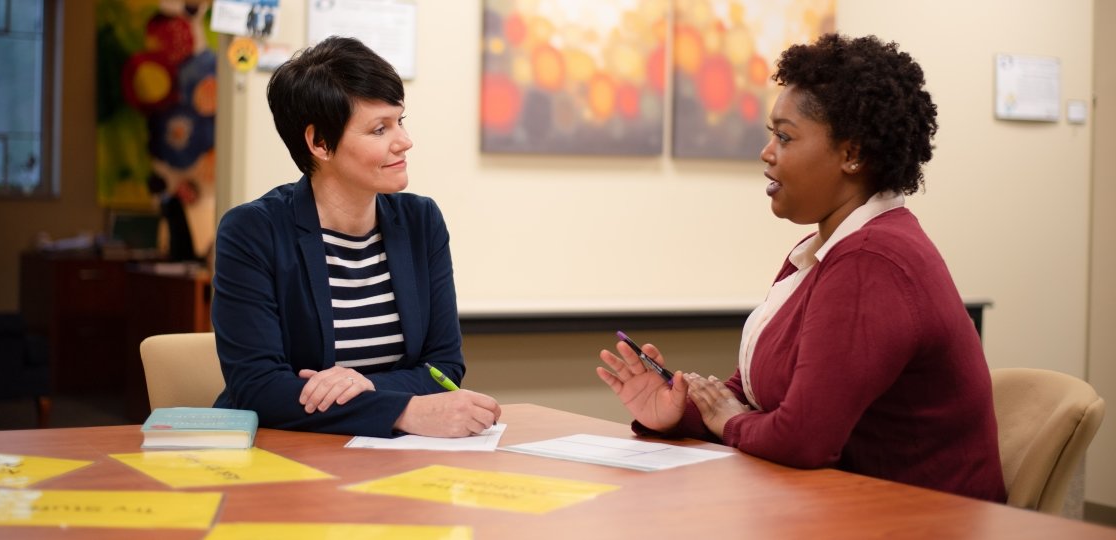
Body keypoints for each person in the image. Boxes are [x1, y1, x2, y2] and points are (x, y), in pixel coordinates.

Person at [596, 33, 1006, 502]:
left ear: (851, 155)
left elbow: (801, 437)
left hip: (920, 521)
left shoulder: (873, 260)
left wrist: (727, 420)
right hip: (837, 507)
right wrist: (675, 412)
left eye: (784, 137)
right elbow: (751, 397)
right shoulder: (823, 250)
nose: (766, 152)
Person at [211, 36, 502, 437]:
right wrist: (403, 411)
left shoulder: (422, 221)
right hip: (286, 458)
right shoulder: (252, 232)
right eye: (379, 129)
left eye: (400, 120)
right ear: (319, 143)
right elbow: (257, 387)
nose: (404, 141)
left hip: (390, 464)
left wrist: (367, 385)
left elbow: (443, 368)